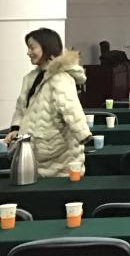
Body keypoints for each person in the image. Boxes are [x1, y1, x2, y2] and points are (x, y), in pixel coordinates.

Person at [6, 28, 91, 177]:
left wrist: (83, 134)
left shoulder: (60, 78)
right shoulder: (30, 78)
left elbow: (70, 108)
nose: (28, 52)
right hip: (35, 152)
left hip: (58, 156)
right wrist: (15, 128)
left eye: (32, 48)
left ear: (47, 47)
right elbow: (21, 107)